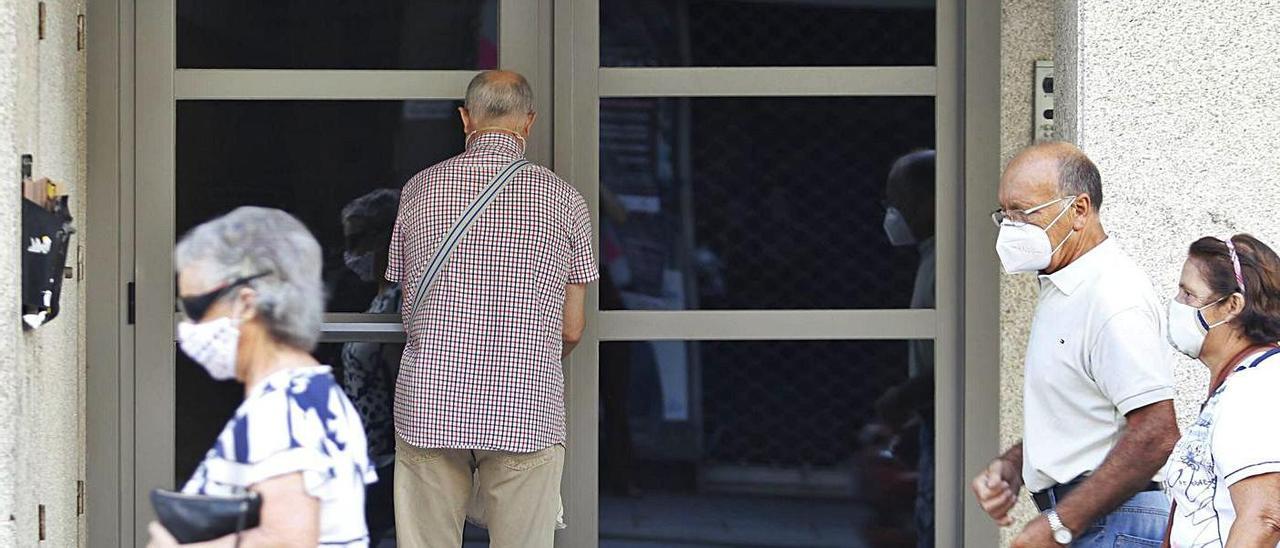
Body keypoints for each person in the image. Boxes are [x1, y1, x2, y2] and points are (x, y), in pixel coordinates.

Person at [386, 70, 598, 548]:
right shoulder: (565, 200)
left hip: (431, 399)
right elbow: (572, 328)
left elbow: (405, 298)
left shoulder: (420, 190)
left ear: (466, 119)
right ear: (529, 122)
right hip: (526, 403)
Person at [972, 142, 1179, 547]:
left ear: (1079, 210)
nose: (1011, 226)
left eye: (1023, 212)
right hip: (1096, 521)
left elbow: (1157, 431)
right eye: (1005, 213)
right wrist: (1017, 464)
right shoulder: (1065, 283)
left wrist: (1060, 523)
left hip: (1113, 525)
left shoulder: (1112, 296)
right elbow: (1085, 415)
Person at [148, 207, 375, 547]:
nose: (188, 326)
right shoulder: (313, 393)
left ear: (246, 303)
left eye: (195, 308)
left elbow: (288, 540)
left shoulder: (282, 410)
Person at [1162, 234, 1280, 547]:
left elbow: (1264, 517)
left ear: (1232, 306)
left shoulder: (1256, 386)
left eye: (1189, 294)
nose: (1177, 304)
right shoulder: (1242, 382)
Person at [875, 149, 937, 548]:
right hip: (931, 417)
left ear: (931, 200)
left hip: (938, 414)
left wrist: (905, 396)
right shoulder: (931, 255)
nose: (892, 212)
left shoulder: (950, 260)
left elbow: (952, 358)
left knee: (934, 521)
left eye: (898, 200)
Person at [338, 188, 404, 545]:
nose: (352, 253)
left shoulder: (398, 301)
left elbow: (402, 381)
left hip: (388, 460)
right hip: (366, 456)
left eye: (360, 240)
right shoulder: (377, 299)